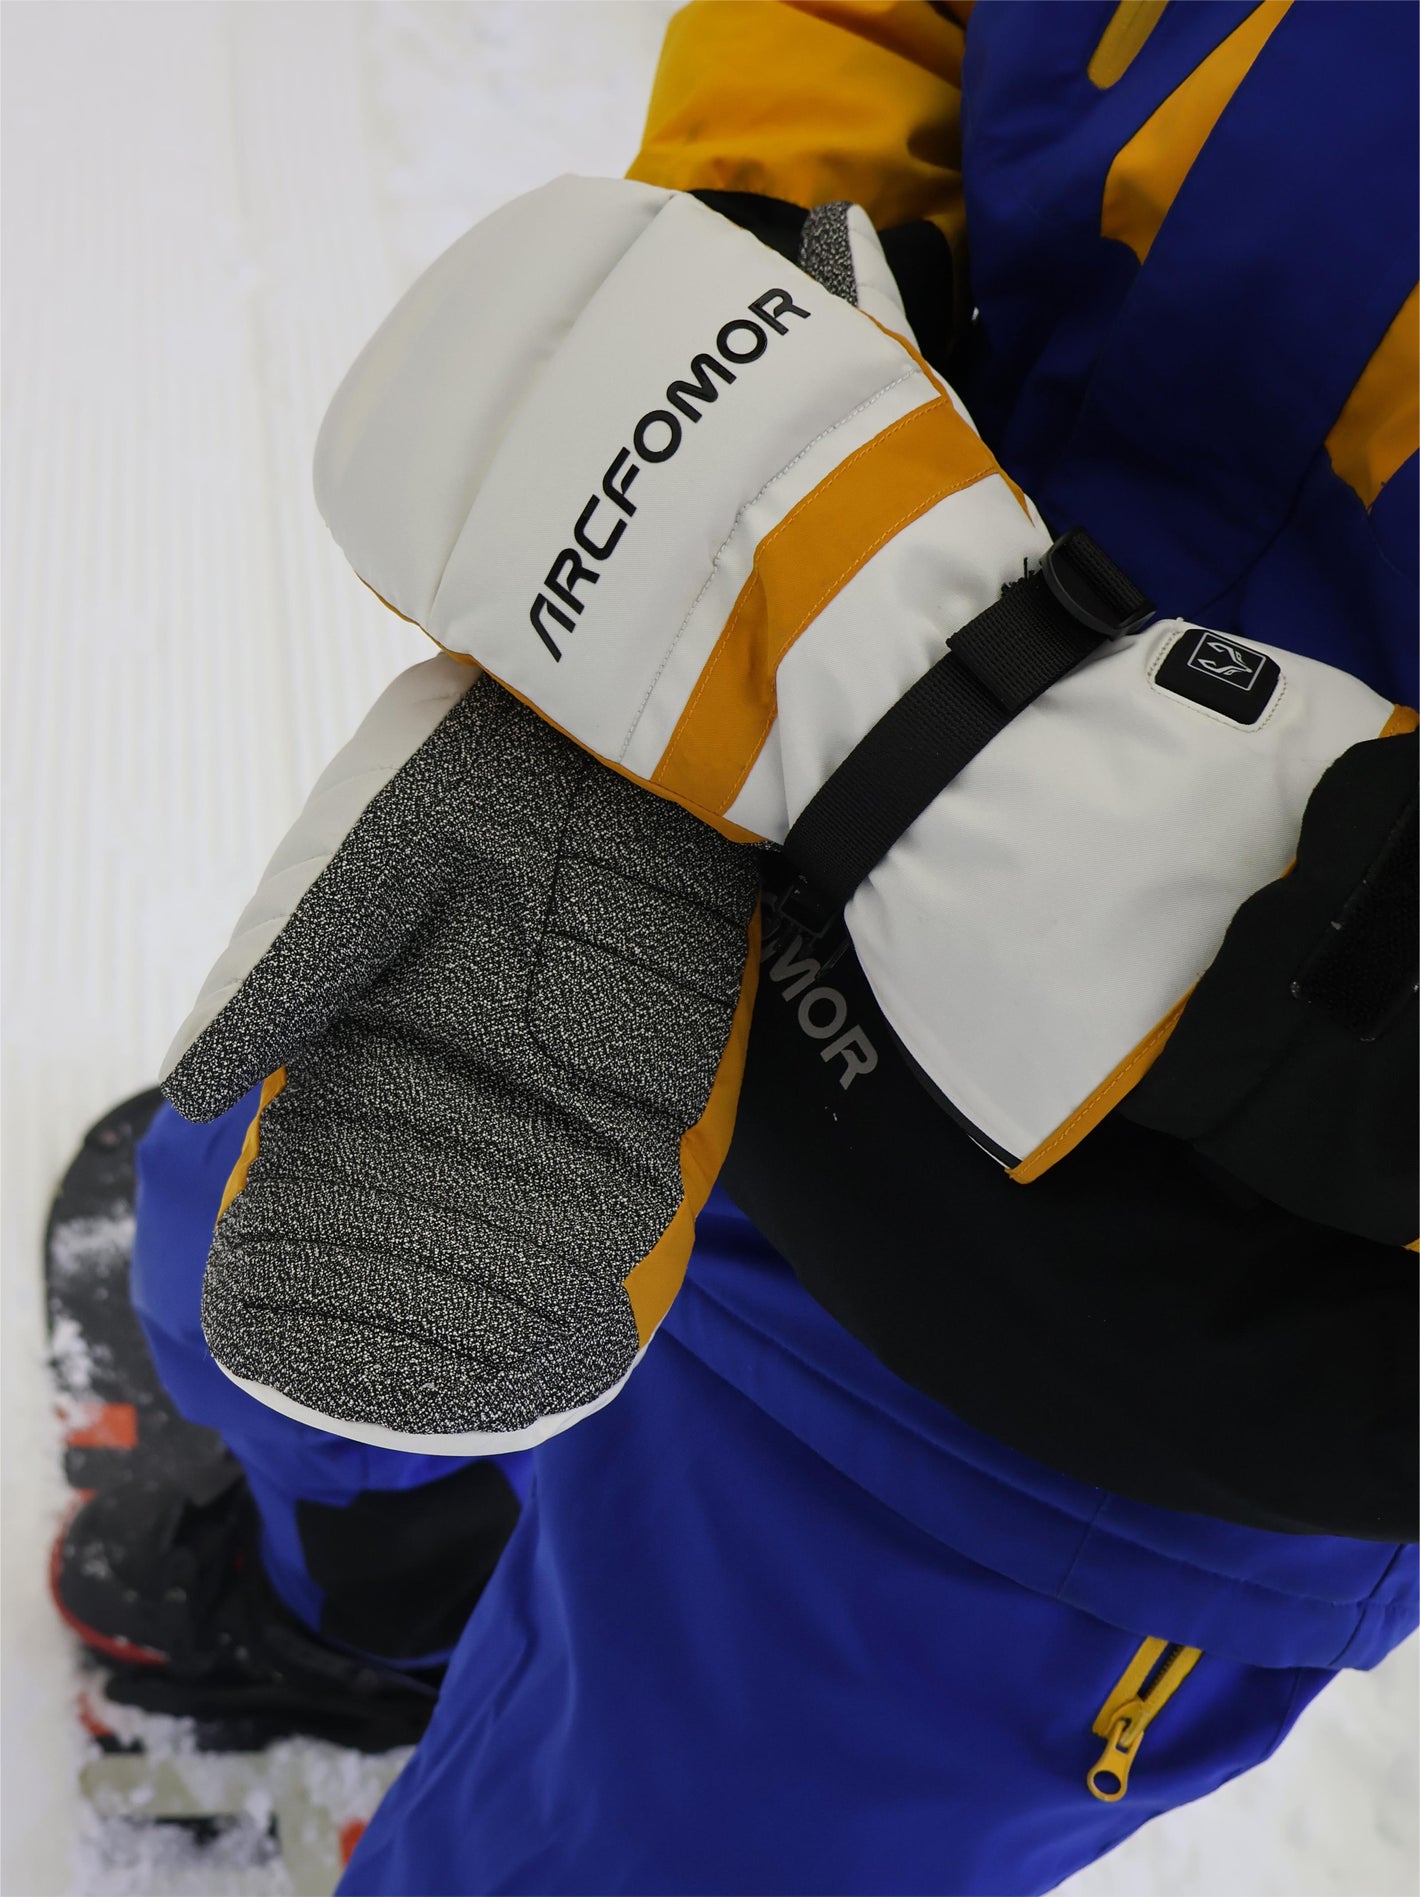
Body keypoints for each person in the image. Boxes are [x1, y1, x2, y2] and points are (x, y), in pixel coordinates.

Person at [54, 4, 1417, 1893]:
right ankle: (351, 1603)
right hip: (707, 747)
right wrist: (767, 343)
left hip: (1081, 1360)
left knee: (630, 1836)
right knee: (311, 1258)